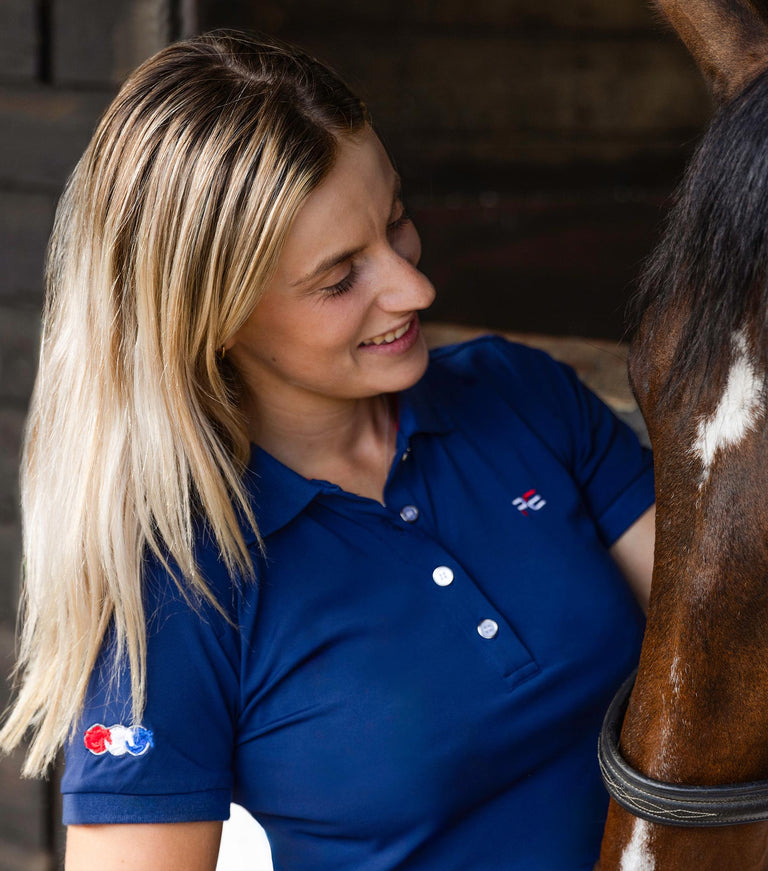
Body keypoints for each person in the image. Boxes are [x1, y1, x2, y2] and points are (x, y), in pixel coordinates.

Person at [0, 30, 655, 871]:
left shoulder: (523, 397)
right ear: (212, 319)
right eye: (340, 277)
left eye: (397, 221)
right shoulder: (179, 589)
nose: (414, 286)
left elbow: (732, 645)